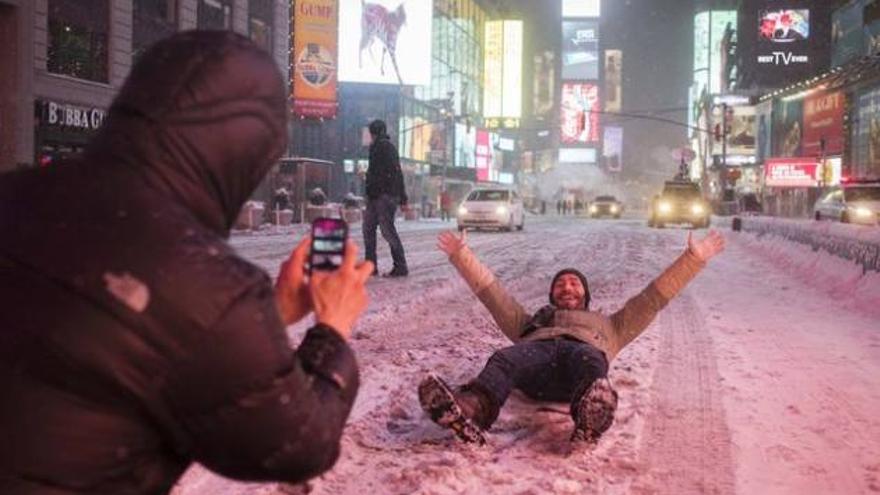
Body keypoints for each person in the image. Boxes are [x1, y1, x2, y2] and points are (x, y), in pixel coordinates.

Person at [0, 31, 374, 494]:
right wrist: (332, 328)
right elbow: (298, 440)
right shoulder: (207, 283)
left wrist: (267, 318)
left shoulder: (15, 192)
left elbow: (143, 342)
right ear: (243, 154)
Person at [419, 229, 725, 444]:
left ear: (585, 295)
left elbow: (652, 297)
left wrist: (693, 260)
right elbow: (492, 293)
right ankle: (470, 409)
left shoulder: (610, 327)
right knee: (504, 358)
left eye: (574, 284)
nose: (567, 287)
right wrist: (461, 255)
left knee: (590, 358)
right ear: (552, 295)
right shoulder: (531, 325)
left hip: (578, 374)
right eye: (561, 284)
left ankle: (589, 416)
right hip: (536, 367)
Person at [363, 119, 409, 277]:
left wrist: (402, 197)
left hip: (384, 195)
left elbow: (395, 172)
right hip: (377, 195)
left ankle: (399, 265)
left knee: (385, 230)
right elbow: (395, 172)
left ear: (374, 132)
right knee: (373, 229)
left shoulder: (385, 147)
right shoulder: (377, 147)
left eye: (372, 132)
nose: (371, 135)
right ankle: (371, 265)